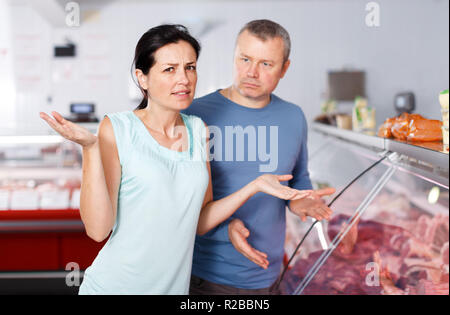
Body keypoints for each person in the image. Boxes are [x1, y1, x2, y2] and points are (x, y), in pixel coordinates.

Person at [39, 24, 313, 295]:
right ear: (142, 78)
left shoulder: (198, 130)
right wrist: (90, 149)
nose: (183, 79)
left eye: (190, 67)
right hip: (115, 286)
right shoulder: (118, 128)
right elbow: (98, 230)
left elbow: (200, 219)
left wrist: (255, 186)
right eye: (169, 69)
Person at [183, 20, 335, 295]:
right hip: (208, 277)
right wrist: (226, 227)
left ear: (284, 68)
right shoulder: (195, 114)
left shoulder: (293, 116)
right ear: (234, 57)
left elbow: (298, 178)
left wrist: (302, 202)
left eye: (266, 64)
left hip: (270, 275)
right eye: (244, 59)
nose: (251, 72)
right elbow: (180, 201)